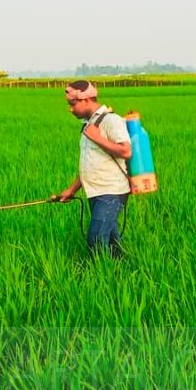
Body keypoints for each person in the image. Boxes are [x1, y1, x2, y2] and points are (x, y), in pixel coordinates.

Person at [53, 80, 132, 258]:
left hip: (111, 191)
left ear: (87, 99)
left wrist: (97, 138)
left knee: (96, 238)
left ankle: (101, 276)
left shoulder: (111, 120)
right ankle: (118, 272)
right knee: (111, 239)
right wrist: (71, 190)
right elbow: (91, 164)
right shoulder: (89, 124)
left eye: (73, 104)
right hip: (95, 191)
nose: (70, 109)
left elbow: (126, 150)